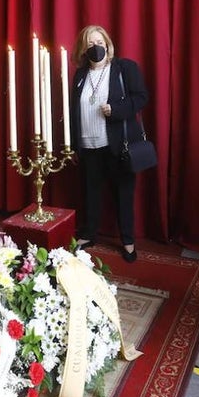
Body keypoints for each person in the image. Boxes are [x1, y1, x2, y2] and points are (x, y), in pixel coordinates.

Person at [68, 24, 149, 262]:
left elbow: (141, 97)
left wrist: (116, 109)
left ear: (108, 45)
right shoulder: (80, 75)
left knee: (123, 193)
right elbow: (74, 111)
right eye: (91, 44)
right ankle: (89, 233)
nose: (96, 48)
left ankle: (128, 240)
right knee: (91, 192)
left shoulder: (124, 68)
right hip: (88, 145)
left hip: (118, 144)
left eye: (100, 43)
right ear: (84, 48)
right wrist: (74, 145)